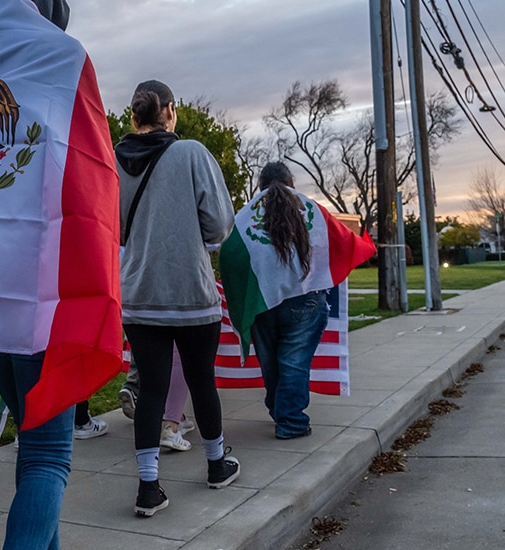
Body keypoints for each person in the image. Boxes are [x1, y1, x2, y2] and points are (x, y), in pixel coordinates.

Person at [0, 1, 122, 547]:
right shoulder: (61, 57)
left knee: (33, 449)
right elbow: (94, 181)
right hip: (40, 295)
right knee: (48, 456)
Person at [116, 79, 239, 517]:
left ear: (134, 115)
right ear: (171, 110)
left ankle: (148, 488)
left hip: (138, 293)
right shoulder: (192, 154)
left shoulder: (113, 160)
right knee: (201, 380)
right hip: (191, 292)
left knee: (150, 389)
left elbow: (109, 224)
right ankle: (216, 464)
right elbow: (220, 226)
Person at [219, 162, 374, 440]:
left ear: (259, 186)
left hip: (262, 302)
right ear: (291, 181)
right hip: (305, 300)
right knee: (294, 362)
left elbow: (229, 254)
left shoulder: (245, 215)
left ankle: (279, 410)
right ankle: (290, 420)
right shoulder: (311, 209)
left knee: (271, 362)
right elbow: (340, 240)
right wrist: (365, 243)